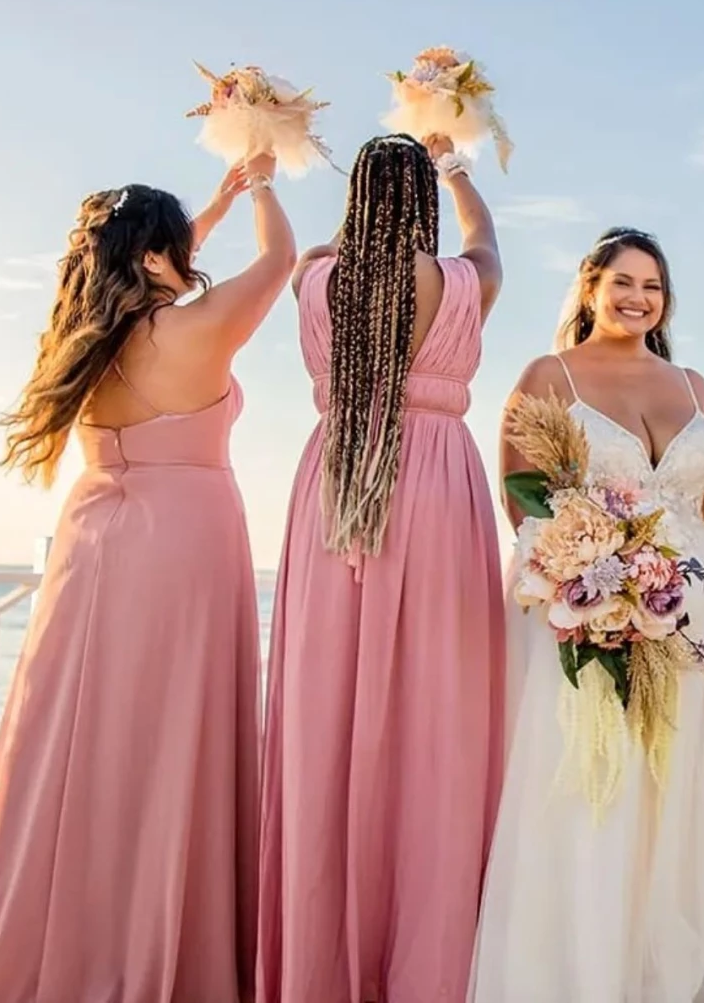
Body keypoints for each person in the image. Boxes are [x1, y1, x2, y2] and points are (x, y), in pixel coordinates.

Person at [0, 155, 291, 1003]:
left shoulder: (82, 340)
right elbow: (279, 261)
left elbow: (146, 268)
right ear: (161, 258)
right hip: (185, 547)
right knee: (169, 739)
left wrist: (215, 204)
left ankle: (56, 933)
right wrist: (265, 187)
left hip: (92, 543)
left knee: (81, 740)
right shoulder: (193, 331)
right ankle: (158, 941)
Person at [469, 227, 704, 1003]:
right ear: (590, 284)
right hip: (592, 619)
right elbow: (520, 497)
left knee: (686, 790)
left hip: (694, 620)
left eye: (654, 286)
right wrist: (590, 580)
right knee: (598, 786)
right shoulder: (550, 373)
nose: (640, 297)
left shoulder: (696, 384)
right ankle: (590, 973)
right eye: (625, 282)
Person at [256, 134, 507, 1003]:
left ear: (357, 198)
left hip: (336, 482)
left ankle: (327, 950)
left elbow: (316, 252)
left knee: (327, 705)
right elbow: (487, 243)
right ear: (423, 204)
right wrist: (457, 166)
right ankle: (430, 950)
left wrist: (347, 233)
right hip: (438, 485)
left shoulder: (318, 281)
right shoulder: (464, 283)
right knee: (439, 709)